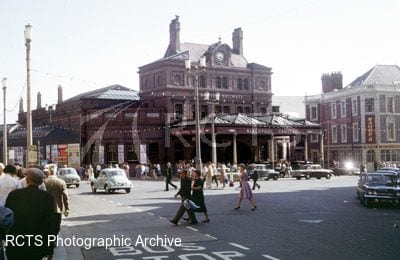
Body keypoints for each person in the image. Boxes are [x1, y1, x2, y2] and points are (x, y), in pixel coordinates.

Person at [5, 168, 54, 260]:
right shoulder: (47, 197)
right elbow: (50, 223)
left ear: (27, 180)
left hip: (16, 240)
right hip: (37, 241)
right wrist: (50, 247)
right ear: (40, 182)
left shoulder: (14, 195)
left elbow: (7, 219)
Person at [43, 164, 70, 260]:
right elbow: (65, 196)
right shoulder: (61, 182)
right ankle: (53, 241)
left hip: (45, 210)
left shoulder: (43, 182)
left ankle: (49, 245)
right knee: (56, 227)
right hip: (57, 209)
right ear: (56, 171)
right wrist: (67, 208)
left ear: (49, 171)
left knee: (46, 228)